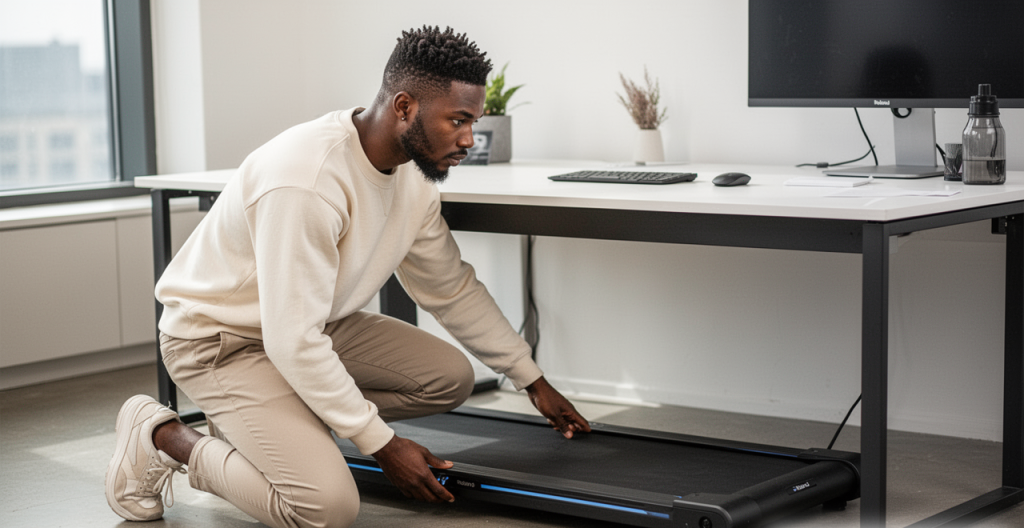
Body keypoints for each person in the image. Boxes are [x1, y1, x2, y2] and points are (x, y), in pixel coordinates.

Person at [105, 25, 590, 528]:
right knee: (325, 509)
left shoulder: (414, 178)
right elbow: (291, 339)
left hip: (308, 327)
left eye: (474, 121)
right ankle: (161, 437)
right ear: (404, 107)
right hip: (217, 341)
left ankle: (266, 426)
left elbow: (450, 286)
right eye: (458, 121)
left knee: (449, 378)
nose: (469, 139)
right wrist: (380, 443)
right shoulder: (308, 179)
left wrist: (530, 378)